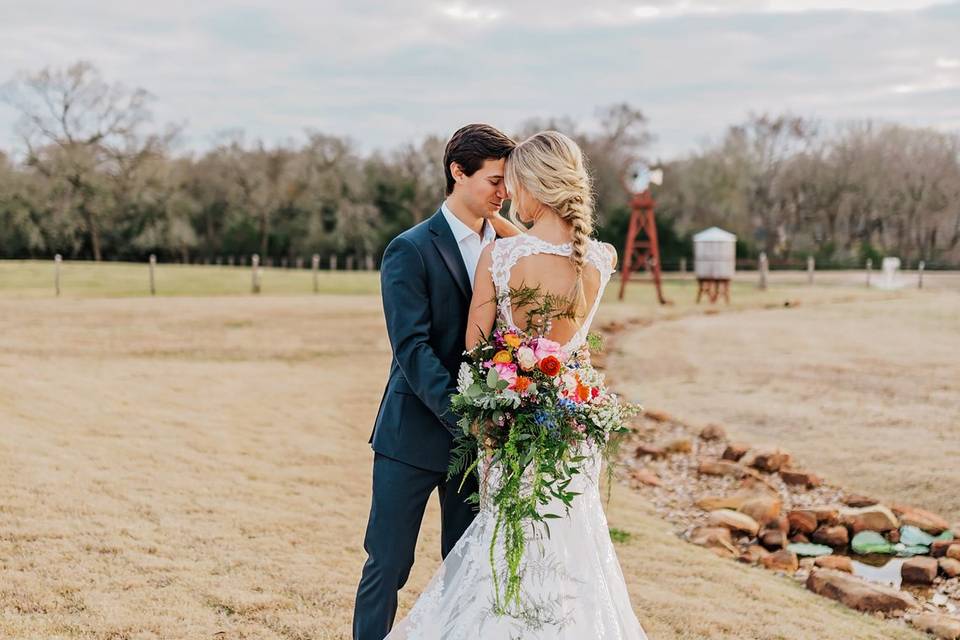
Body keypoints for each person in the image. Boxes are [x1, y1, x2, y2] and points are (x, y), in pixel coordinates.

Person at [384, 131, 649, 639]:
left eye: (515, 183)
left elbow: (475, 346)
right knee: (571, 563)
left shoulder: (500, 259)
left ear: (534, 185)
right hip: (571, 437)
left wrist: (491, 223)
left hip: (509, 437)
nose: (508, 193)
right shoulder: (602, 259)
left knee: (502, 556)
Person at [353, 123, 522, 640]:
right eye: (494, 180)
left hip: (481, 443)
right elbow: (412, 348)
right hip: (412, 434)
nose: (504, 192)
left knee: (467, 569)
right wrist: (464, 416)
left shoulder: (515, 249)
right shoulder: (409, 249)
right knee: (388, 564)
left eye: (507, 182)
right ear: (457, 172)